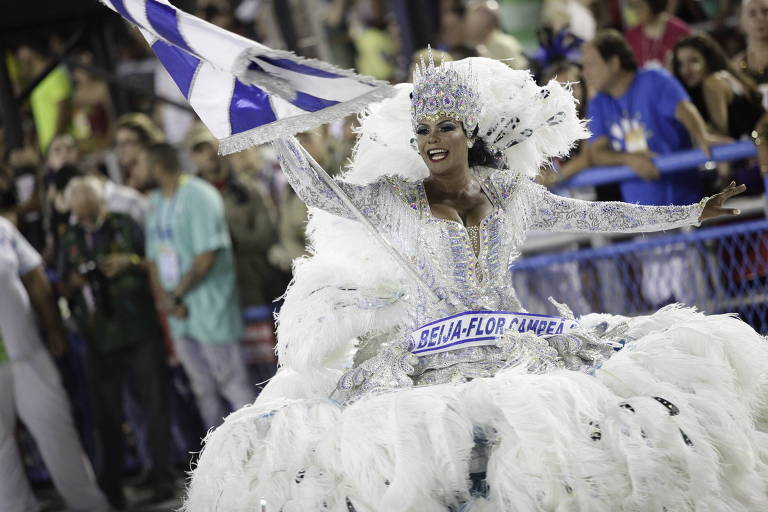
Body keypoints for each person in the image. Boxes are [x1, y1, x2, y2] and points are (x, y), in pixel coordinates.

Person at [184, 53, 768, 511]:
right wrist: (276, 128)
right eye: (423, 131)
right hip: (430, 362)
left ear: (468, 131)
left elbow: (601, 216)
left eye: (445, 126)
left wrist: (690, 212)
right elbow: (318, 193)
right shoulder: (396, 202)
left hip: (519, 349)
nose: (432, 139)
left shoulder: (511, 195)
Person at [58, 176, 175, 509]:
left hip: (138, 327)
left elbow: (153, 262)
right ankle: (111, 487)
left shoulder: (125, 225)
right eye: (79, 213)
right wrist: (76, 280)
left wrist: (130, 263)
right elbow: (62, 283)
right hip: (98, 335)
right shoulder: (70, 238)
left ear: (101, 204)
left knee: (155, 405)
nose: (86, 218)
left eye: (91, 210)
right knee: (105, 415)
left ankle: (163, 477)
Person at [0, 214, 110, 512]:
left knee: (59, 435)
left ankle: (91, 506)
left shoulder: (3, 228)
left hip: (27, 353)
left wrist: (53, 327)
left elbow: (34, 275)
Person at [144, 143, 254, 428]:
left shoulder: (201, 196)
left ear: (156, 168)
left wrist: (175, 295)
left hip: (210, 307)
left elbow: (207, 256)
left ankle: (262, 452)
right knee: (202, 390)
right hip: (179, 314)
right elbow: (153, 259)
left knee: (232, 383)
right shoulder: (154, 204)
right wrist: (165, 302)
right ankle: (222, 463)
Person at [583, 29, 725, 206]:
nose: (586, 73)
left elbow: (684, 110)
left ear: (614, 62)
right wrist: (629, 159)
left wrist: (702, 135)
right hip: (642, 220)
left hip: (686, 207)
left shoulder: (654, 79)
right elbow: (597, 153)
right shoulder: (598, 103)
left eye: (591, 65)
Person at [187, 123, 279, 310]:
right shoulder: (189, 199)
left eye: (210, 146)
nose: (207, 154)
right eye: (199, 150)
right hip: (213, 286)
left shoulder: (249, 188)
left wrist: (230, 240)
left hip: (252, 280)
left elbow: (266, 234)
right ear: (192, 157)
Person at [672, 32, 768, 182]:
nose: (686, 70)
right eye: (680, 64)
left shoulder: (713, 83)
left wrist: (724, 181)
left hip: (757, 167)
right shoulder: (711, 84)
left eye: (694, 61)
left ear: (708, 60)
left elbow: (721, 138)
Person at [624, 0, 690, 69]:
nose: (635, 10)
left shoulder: (680, 31)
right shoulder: (631, 35)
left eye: (639, 5)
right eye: (632, 5)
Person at [465, 0, 529, 69]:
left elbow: (521, 71)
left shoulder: (503, 44)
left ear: (488, 25)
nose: (469, 24)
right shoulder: (472, 44)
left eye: (475, 21)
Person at [733, 0, 768, 109]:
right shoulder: (735, 65)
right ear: (742, 22)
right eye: (752, 14)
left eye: (766, 12)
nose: (760, 18)